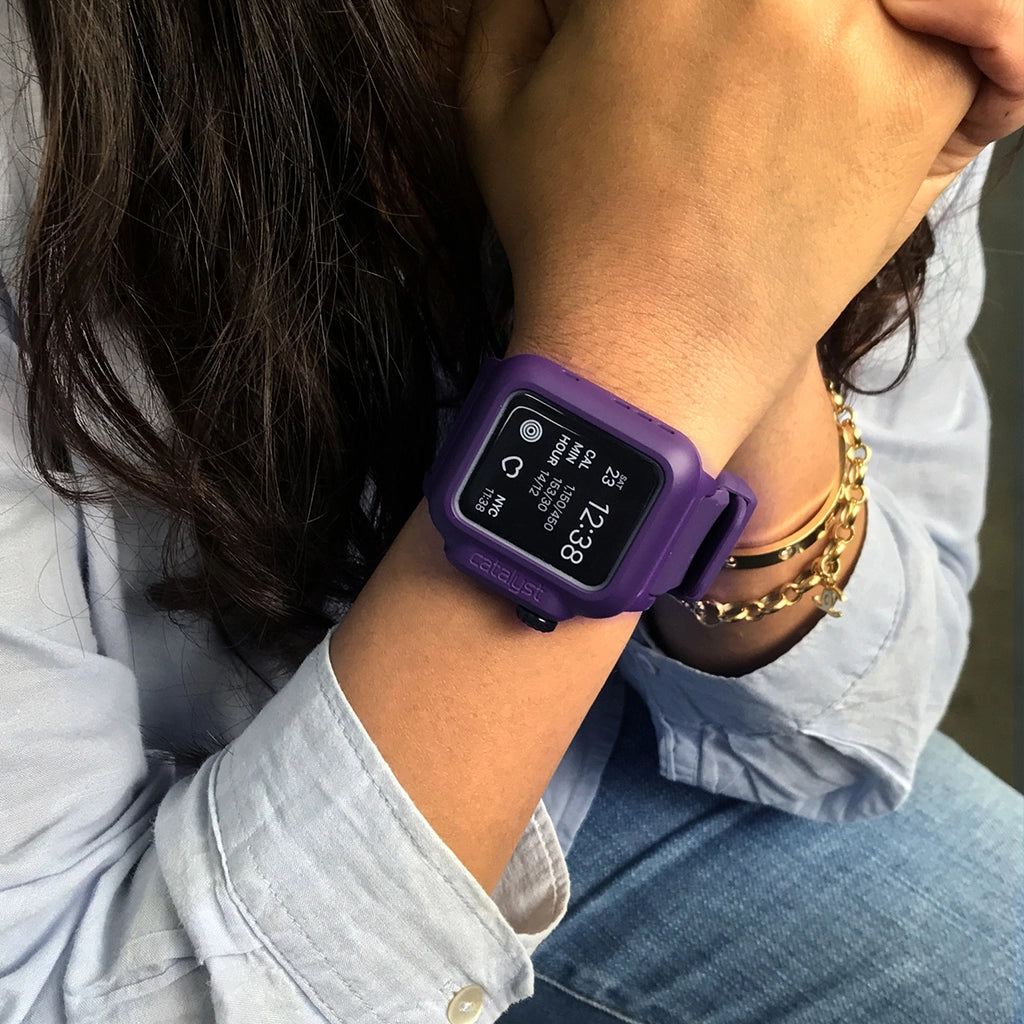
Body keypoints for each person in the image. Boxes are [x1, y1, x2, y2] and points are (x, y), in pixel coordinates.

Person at [0, 0, 1021, 1021]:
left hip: (589, 760)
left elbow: (857, 721)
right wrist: (648, 348)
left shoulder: (865, 27)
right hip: (142, 854)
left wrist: (739, 286)